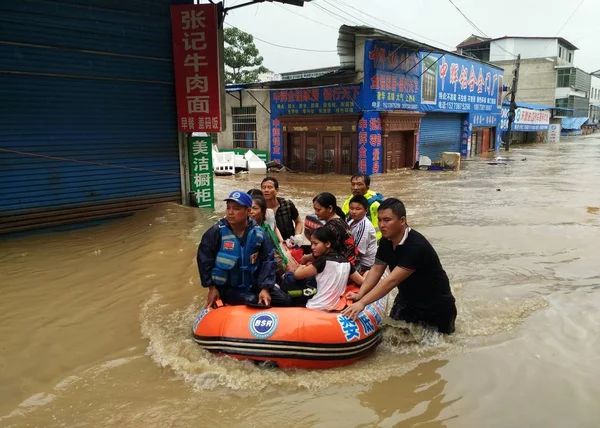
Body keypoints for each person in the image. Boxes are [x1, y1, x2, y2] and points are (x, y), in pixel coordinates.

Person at [342, 198, 457, 335]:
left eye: (387, 220)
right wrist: (360, 294)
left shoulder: (416, 246)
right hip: (407, 300)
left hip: (436, 306)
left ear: (402, 220)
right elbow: (377, 269)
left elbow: (391, 281)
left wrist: (362, 303)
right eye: (379, 220)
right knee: (391, 337)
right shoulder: (386, 240)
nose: (381, 225)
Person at [196, 190, 290, 308]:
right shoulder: (216, 232)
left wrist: (265, 288)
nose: (230, 213)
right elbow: (204, 260)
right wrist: (212, 288)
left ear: (248, 211)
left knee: (285, 300)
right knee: (251, 300)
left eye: (236, 208)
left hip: (254, 285)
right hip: (228, 288)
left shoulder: (259, 234)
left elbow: (268, 260)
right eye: (228, 208)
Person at [293, 226, 364, 310]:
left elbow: (297, 275)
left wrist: (301, 267)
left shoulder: (322, 261)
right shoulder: (346, 262)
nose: (312, 247)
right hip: (334, 307)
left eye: (315, 243)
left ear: (327, 244)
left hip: (315, 306)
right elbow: (361, 281)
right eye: (311, 244)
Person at [247, 191, 299, 281]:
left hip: (268, 267)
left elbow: (276, 247)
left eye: (255, 208)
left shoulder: (266, 227)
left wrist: (286, 264)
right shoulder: (243, 229)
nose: (251, 212)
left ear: (263, 211)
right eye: (248, 209)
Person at [300, 192, 358, 267]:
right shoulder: (340, 220)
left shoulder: (329, 228)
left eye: (318, 210)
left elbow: (322, 254)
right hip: (351, 263)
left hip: (343, 266)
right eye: (315, 209)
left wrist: (307, 258)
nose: (316, 213)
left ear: (330, 208)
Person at [341, 174, 383, 241]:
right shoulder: (348, 201)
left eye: (359, 184)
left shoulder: (375, 205)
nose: (355, 187)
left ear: (367, 187)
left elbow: (381, 228)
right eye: (353, 184)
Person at [261, 176, 303, 241]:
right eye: (263, 188)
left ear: (277, 190)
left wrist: (297, 236)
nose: (266, 190)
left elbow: (299, 222)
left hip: (289, 243)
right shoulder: (260, 208)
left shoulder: (287, 204)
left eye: (270, 187)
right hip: (270, 245)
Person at [347, 195, 377, 274]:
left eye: (358, 209)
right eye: (351, 208)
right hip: (355, 257)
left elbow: (358, 251)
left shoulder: (364, 225)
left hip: (364, 264)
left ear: (366, 210)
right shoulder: (351, 221)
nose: (353, 211)